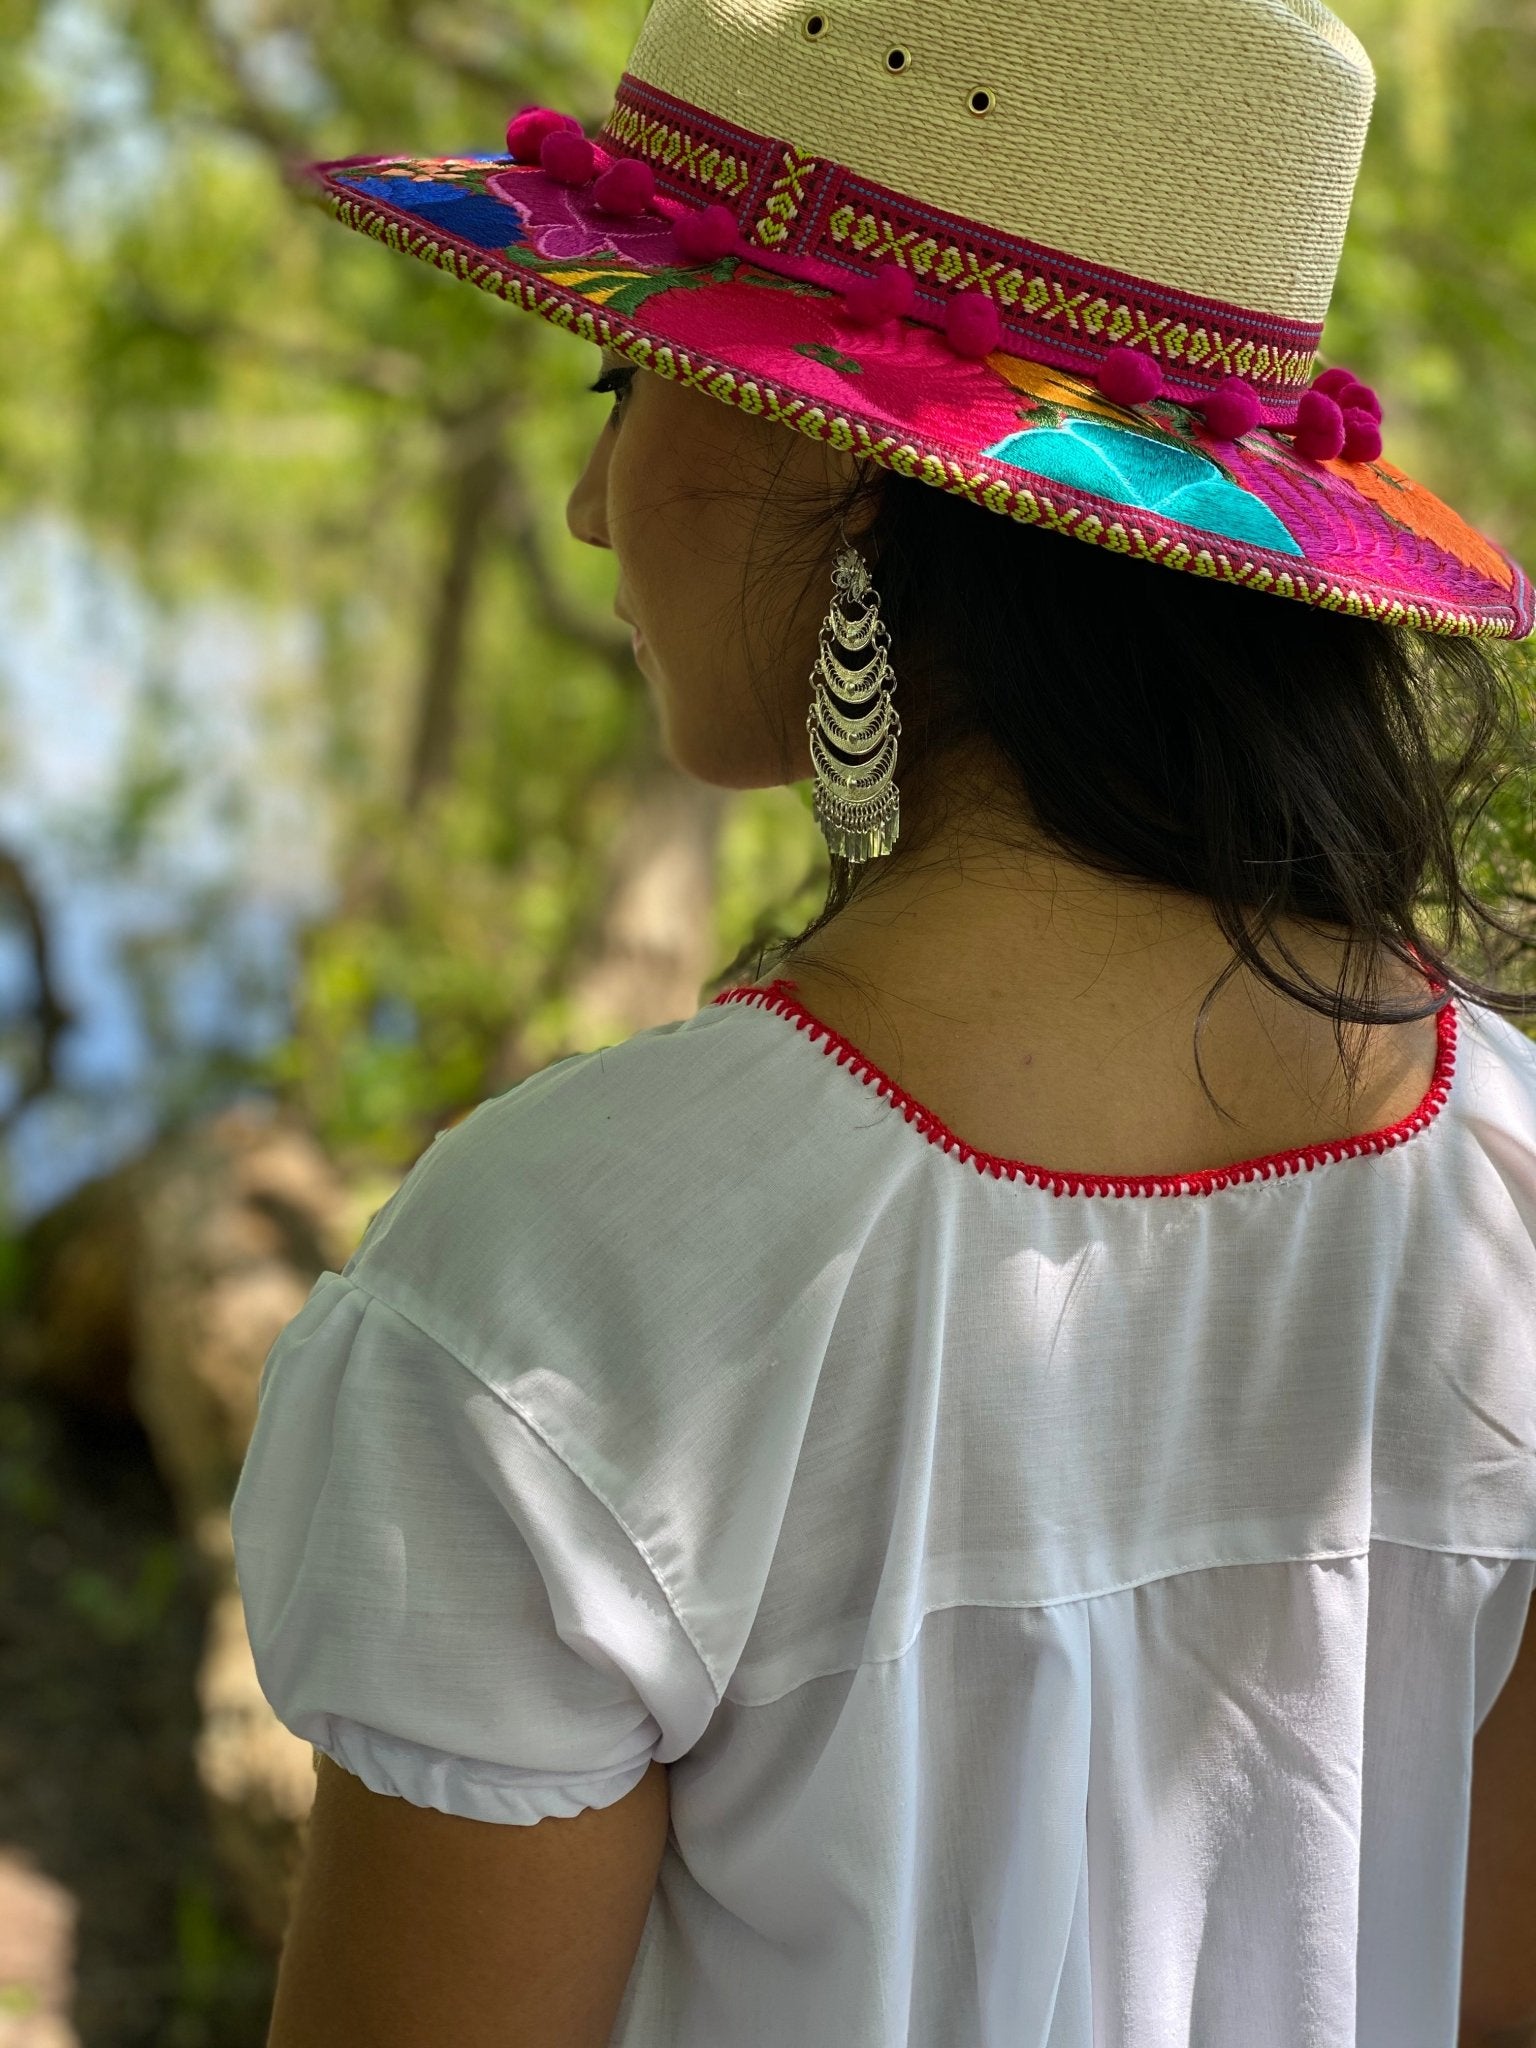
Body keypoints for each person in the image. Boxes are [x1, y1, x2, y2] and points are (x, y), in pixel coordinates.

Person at [229, 2, 1536, 2044]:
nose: (589, 504)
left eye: (618, 380)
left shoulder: (560, 1278)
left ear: (828, 456)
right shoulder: (1512, 1196)